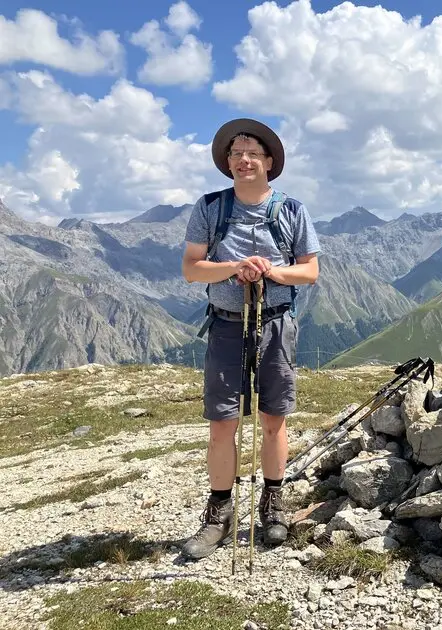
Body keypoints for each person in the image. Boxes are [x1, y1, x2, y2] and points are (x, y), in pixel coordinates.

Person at [180, 117, 321, 559]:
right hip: (226, 321)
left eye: (253, 153)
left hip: (275, 321)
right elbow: (191, 267)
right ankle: (219, 513)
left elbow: (310, 271)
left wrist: (270, 271)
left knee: (273, 418)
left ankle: (272, 504)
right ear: (227, 161)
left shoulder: (292, 211)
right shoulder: (210, 207)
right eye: (237, 153)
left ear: (269, 161)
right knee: (223, 422)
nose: (244, 160)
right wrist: (235, 267)